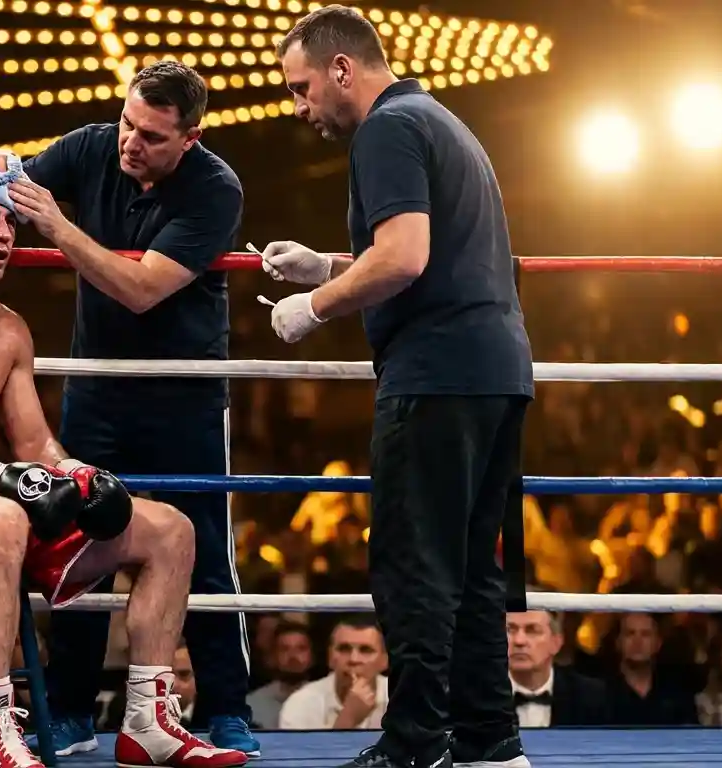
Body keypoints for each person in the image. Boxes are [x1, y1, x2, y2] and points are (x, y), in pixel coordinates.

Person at [0, 164, 249, 768]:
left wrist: (80, 477)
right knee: (2, 518)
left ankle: (147, 722)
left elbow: (34, 445)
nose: (3, 234)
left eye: (9, 222)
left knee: (170, 530)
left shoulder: (8, 328)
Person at [262, 6, 535, 768]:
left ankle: (415, 744)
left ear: (342, 68)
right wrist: (326, 264)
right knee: (472, 568)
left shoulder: (387, 129)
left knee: (415, 565)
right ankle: (489, 740)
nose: (299, 107)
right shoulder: (441, 120)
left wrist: (314, 305)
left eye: (302, 88)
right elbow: (429, 256)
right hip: (495, 371)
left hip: (437, 373)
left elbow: (406, 257)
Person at [0, 59, 259, 758]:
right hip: (97, 388)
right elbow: (8, 193)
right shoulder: (91, 146)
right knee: (81, 539)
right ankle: (70, 711)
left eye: (152, 136)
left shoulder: (215, 188)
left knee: (203, 548)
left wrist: (57, 226)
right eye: (128, 122)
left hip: (185, 394)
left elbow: (141, 288)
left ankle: (227, 708)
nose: (132, 142)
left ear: (189, 137)